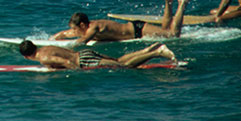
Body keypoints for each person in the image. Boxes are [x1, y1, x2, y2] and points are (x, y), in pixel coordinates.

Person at [52, 0, 194, 43]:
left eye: (75, 28)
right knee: (164, 29)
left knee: (172, 35)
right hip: (134, 29)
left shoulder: (93, 28)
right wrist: (55, 38)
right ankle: (168, 1)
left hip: (138, 30)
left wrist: (69, 47)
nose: (73, 31)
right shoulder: (85, 28)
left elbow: (83, 41)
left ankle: (182, 3)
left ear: (82, 25)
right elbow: (65, 33)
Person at [19, 40, 177, 70]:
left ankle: (157, 52)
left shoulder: (43, 58)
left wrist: (78, 72)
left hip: (84, 61)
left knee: (124, 67)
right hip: (84, 53)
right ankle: (148, 49)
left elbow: (65, 62)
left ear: (27, 56)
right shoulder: (46, 47)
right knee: (118, 60)